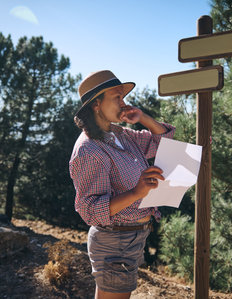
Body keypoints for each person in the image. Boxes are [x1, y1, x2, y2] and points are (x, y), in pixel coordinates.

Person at [69, 70, 175, 298]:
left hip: (133, 237)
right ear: (96, 104)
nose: (124, 103)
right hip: (114, 243)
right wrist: (137, 192)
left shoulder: (121, 134)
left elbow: (164, 142)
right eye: (117, 97)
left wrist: (143, 118)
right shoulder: (89, 150)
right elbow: (90, 210)